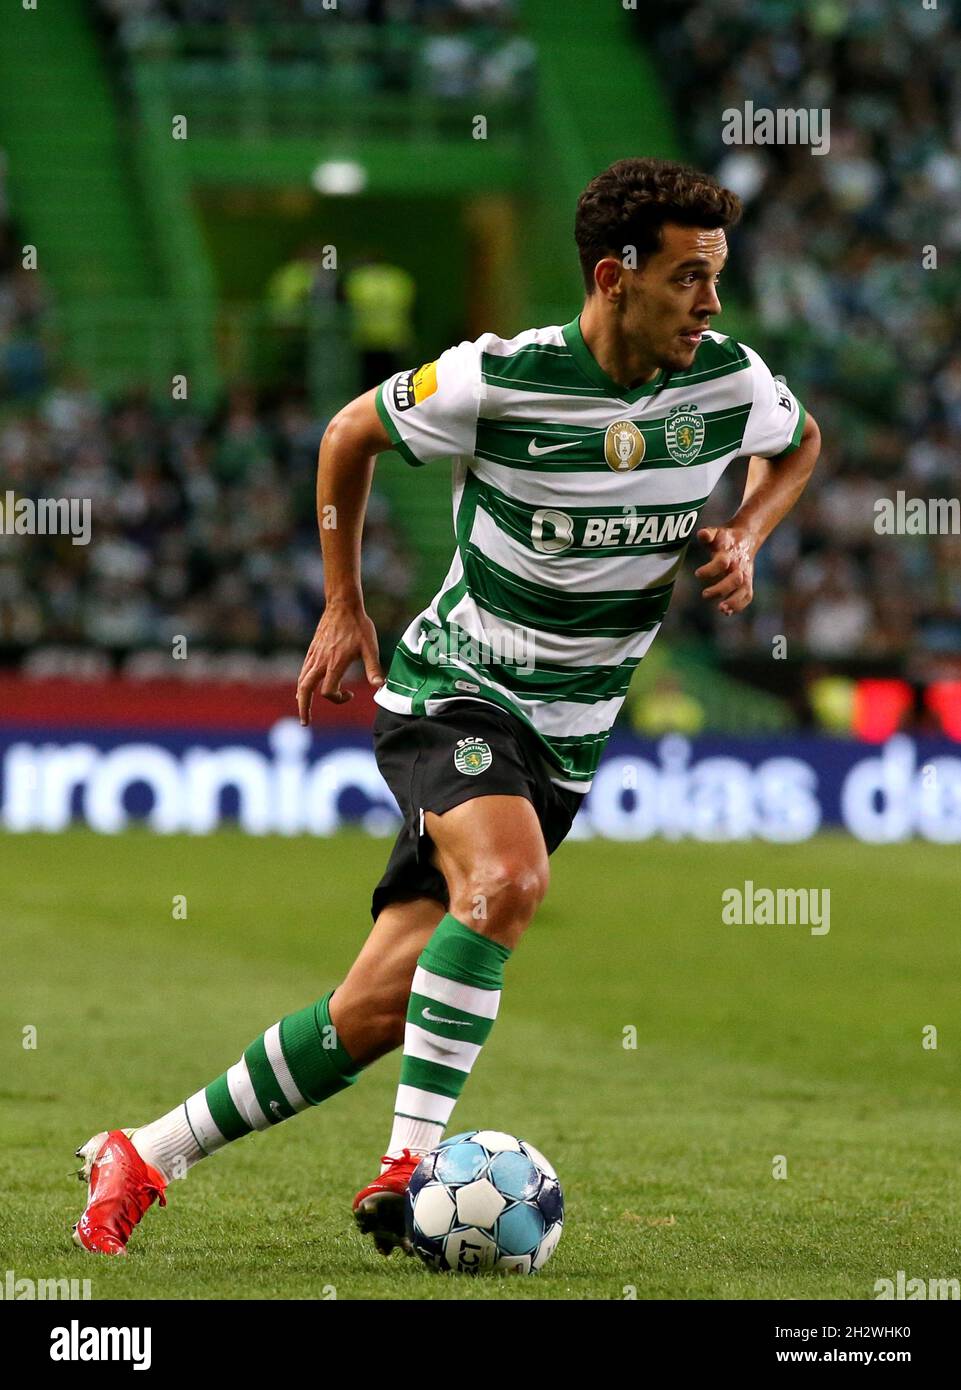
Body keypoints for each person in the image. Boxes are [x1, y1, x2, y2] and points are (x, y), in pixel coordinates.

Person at [71, 157, 821, 1257]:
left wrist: (746, 534)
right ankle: (413, 1163)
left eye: (716, 277)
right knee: (510, 879)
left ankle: (141, 1151)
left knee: (374, 1009)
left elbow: (799, 444)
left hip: (567, 739)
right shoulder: (496, 379)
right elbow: (346, 434)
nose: (710, 303)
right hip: (454, 692)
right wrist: (342, 607)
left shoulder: (726, 384)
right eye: (687, 278)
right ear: (614, 278)